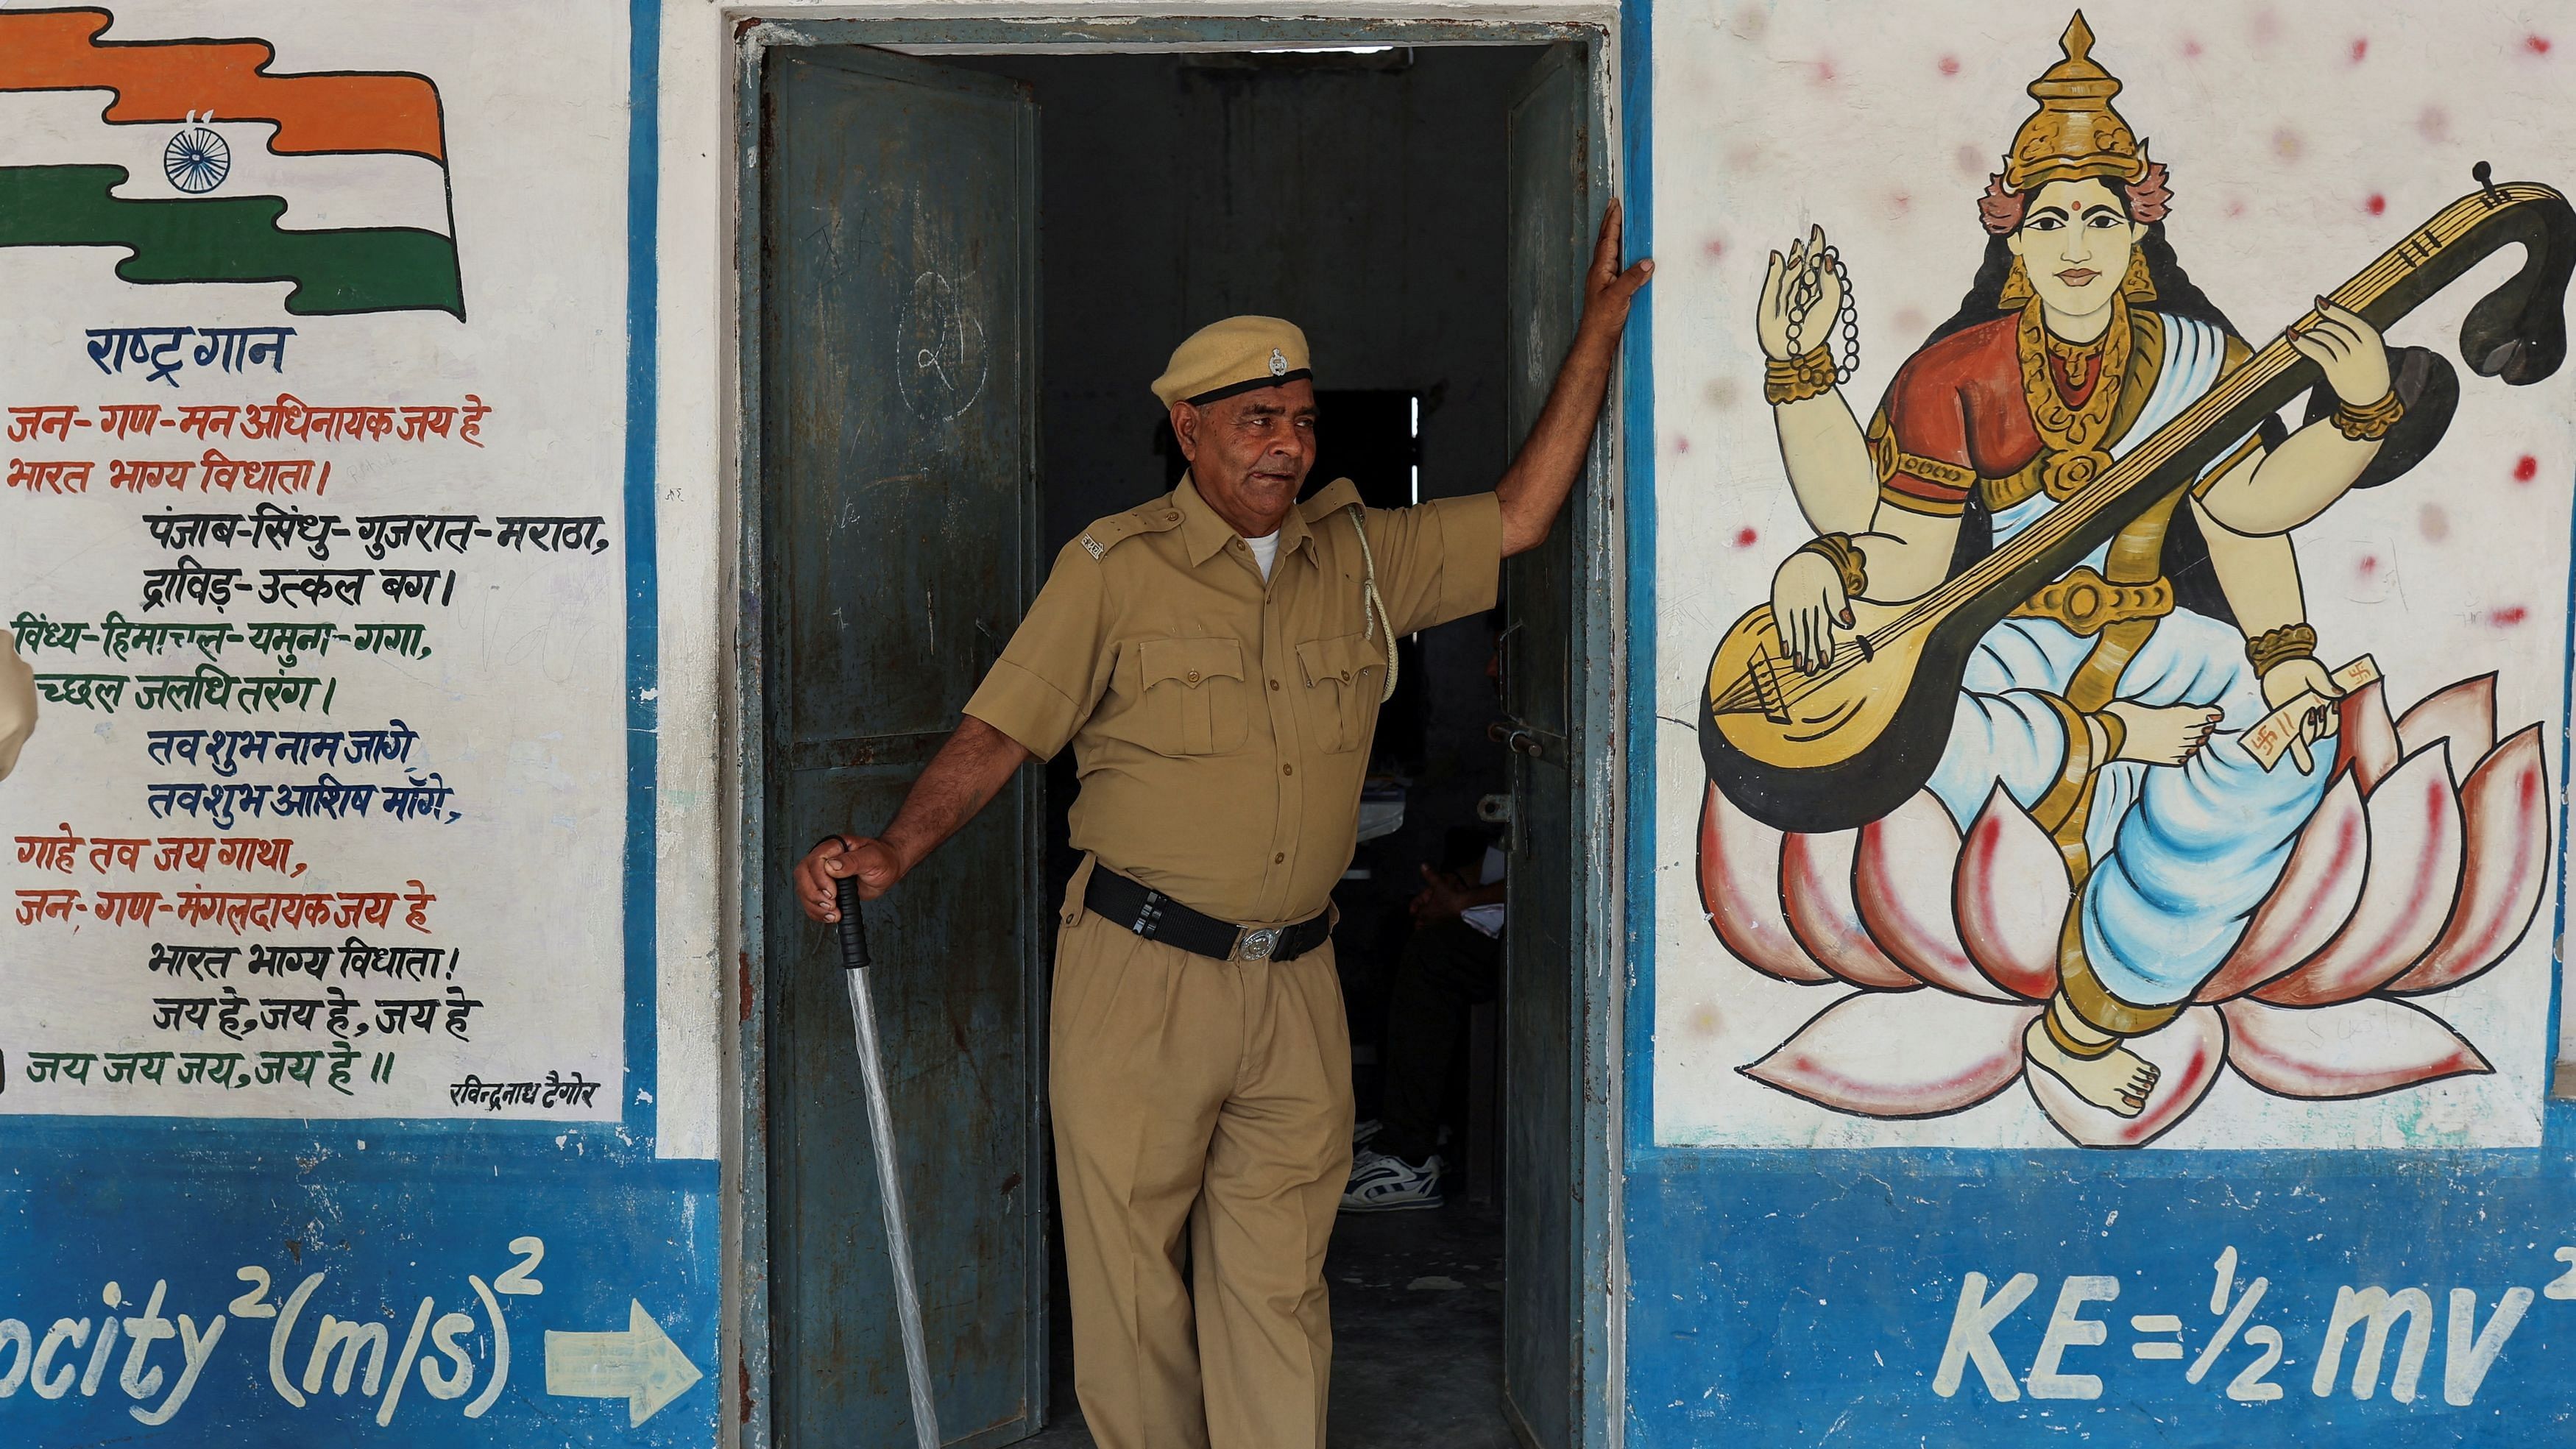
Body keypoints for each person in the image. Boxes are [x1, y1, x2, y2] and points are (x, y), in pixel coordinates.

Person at [791, 208, 1649, 1449]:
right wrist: (896, 847)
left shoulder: (1358, 556)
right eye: (1258, 419)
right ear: (1189, 429)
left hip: (1295, 976)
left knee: (1278, 1280)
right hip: (1139, 970)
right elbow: (1004, 728)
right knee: (1132, 1285)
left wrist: (1595, 336)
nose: (1287, 444)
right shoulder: (1114, 567)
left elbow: (1519, 515)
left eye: (1301, 420)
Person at [1753, 15, 2428, 1120]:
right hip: (2001, 653)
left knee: (2289, 752)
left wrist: (2358, 419)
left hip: (2164, 639)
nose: (2077, 243)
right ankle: (2080, 830)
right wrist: (1809, 442)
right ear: (2015, 241)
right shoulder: (1954, 374)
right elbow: (1907, 557)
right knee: (1921, 730)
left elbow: (2247, 516)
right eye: (2053, 219)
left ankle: (2093, 1016)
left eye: (2102, 219)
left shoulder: (2201, 358)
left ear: (2137, 235)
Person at [1342, 835, 1504, 1212]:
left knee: (1434, 953)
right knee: (1400, 929)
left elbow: (1548, 868)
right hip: (1490, 906)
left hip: (1547, 928)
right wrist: (1449, 890)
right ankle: (1405, 1122)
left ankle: (1409, 1157)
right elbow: (1503, 851)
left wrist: (1462, 902)